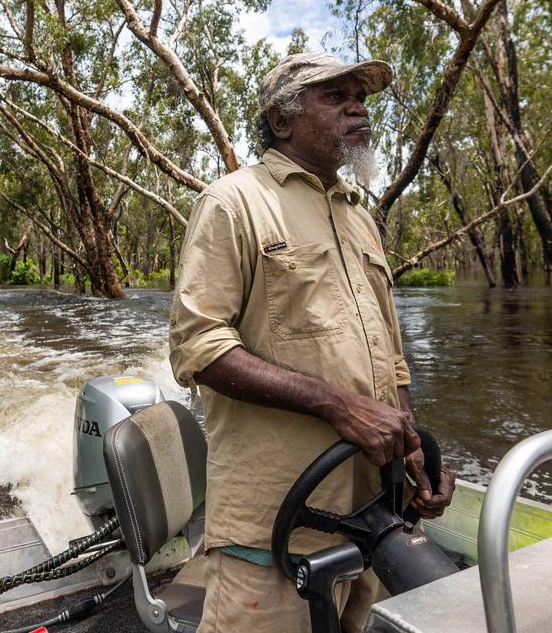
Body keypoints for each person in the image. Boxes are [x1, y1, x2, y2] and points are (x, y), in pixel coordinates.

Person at [167, 51, 456, 633]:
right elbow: (197, 345)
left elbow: (389, 353)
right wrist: (338, 404)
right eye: (335, 96)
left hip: (373, 511)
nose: (357, 107)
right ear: (281, 120)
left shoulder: (359, 216)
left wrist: (412, 444)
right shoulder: (233, 202)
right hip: (276, 522)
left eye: (361, 97)